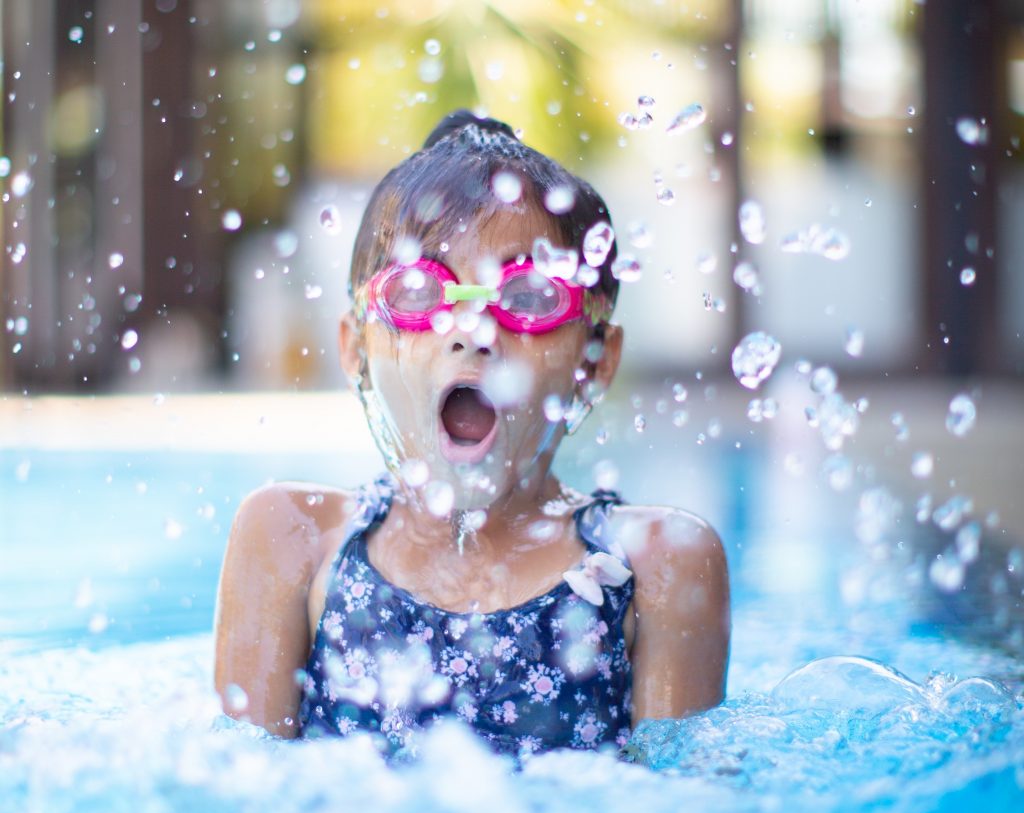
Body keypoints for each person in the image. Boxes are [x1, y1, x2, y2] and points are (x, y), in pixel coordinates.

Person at [213, 110, 730, 759]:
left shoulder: (657, 562)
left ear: (595, 361)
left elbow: (685, 803)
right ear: (355, 349)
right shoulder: (293, 539)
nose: (472, 331)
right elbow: (243, 792)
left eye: (530, 297)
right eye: (418, 292)